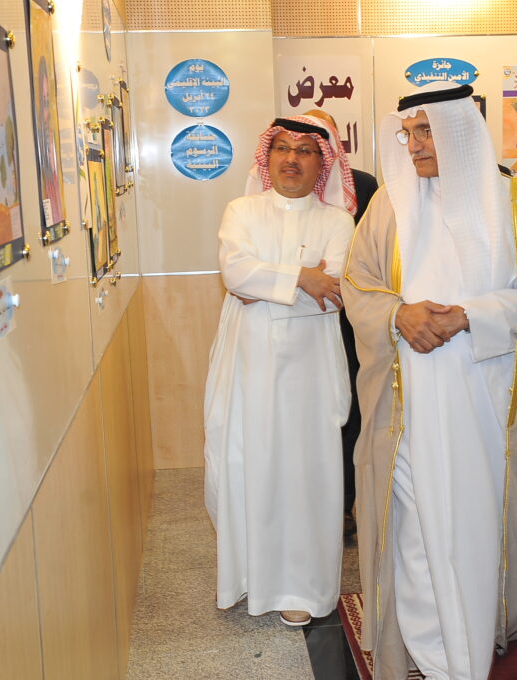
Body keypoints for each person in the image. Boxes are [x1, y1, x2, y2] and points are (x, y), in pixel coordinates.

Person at [343, 81, 517, 680]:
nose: (414, 145)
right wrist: (398, 315)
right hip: (405, 402)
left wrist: (467, 315)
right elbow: (358, 283)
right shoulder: (388, 204)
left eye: (427, 131)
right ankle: (428, 649)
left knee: (472, 528)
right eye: (407, 133)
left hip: (485, 402)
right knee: (411, 526)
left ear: (459, 131)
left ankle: (466, 650)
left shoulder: (516, 202)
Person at [203, 115, 355, 627]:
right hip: (248, 365)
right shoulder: (242, 210)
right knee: (251, 465)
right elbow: (236, 274)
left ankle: (302, 586)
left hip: (311, 369)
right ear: (267, 158)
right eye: (282, 148)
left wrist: (270, 285)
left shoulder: (338, 222)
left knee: (306, 474)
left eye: (305, 150)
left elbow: (336, 289)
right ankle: (250, 577)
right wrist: (302, 279)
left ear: (321, 163)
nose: (291, 158)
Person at [304, 109, 379, 540]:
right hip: (297, 321)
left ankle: (345, 505)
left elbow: (363, 256)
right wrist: (301, 273)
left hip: (349, 322)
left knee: (347, 411)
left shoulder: (364, 186)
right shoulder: (275, 191)